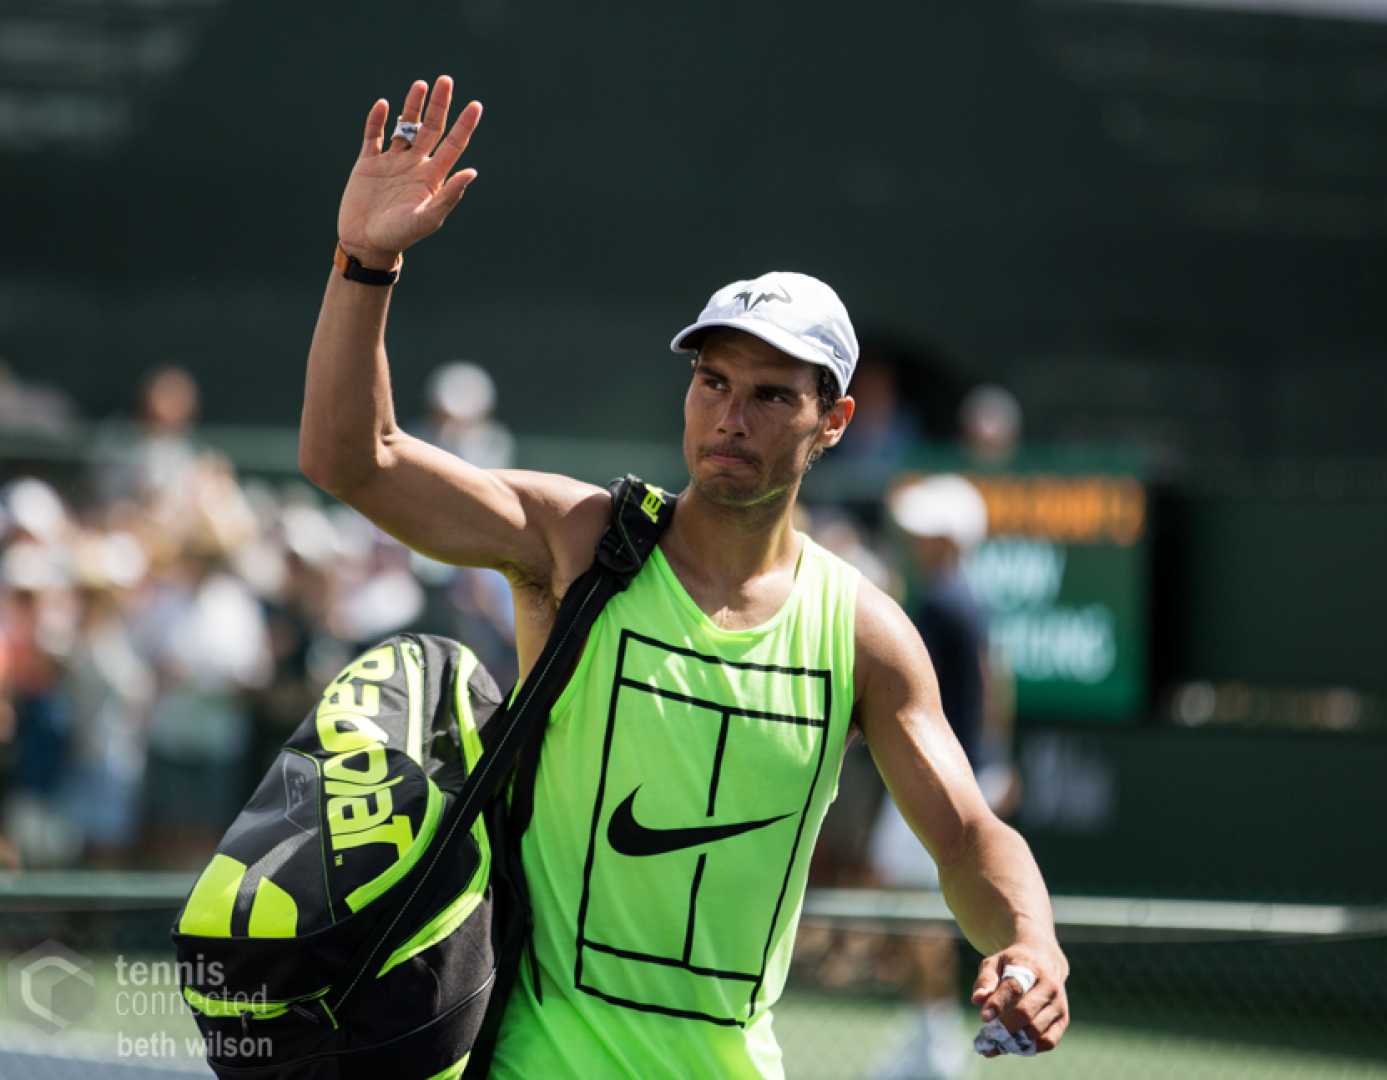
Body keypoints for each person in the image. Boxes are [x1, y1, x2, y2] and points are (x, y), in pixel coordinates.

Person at [299, 74, 1069, 1078]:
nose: (728, 417)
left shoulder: (864, 633)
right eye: (711, 382)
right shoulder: (578, 540)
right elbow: (353, 458)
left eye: (768, 395)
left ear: (833, 422)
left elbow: (967, 838)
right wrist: (367, 261)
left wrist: (1029, 940)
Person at [867, 474, 1021, 1078]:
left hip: (940, 778)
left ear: (953, 542)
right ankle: (927, 1032)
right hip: (956, 772)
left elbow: (978, 688)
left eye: (929, 532)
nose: (916, 539)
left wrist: (986, 765)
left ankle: (935, 1046)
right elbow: (995, 684)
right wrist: (997, 762)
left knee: (912, 906)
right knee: (906, 903)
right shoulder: (957, 598)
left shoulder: (942, 603)